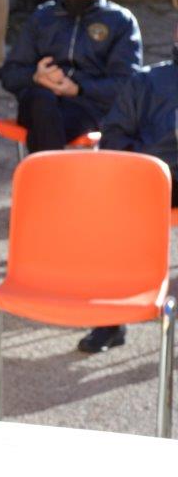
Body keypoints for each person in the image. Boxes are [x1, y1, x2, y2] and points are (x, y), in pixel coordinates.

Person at [77, 25, 178, 355]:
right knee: (111, 209)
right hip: (149, 178)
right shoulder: (147, 81)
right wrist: (156, 158)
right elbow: (114, 140)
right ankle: (110, 321)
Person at [0, 0, 141, 154]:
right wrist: (36, 77)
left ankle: (44, 172)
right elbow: (10, 74)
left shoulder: (120, 22)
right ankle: (53, 172)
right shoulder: (43, 17)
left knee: (45, 122)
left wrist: (78, 89)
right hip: (37, 101)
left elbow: (126, 83)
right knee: (43, 102)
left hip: (86, 108)